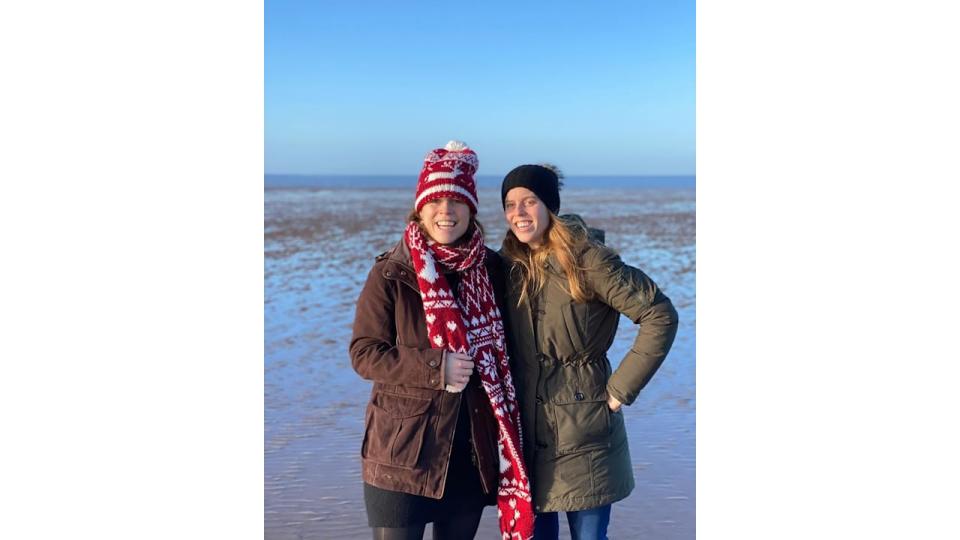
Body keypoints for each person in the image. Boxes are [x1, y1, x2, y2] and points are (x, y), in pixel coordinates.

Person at [350, 142, 535, 540]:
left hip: (471, 452)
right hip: (403, 452)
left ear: (471, 209)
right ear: (420, 208)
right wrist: (437, 366)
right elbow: (364, 354)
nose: (446, 212)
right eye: (435, 200)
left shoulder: (493, 270)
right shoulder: (391, 273)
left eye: (457, 201)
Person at [499, 164, 680, 540]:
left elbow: (659, 314)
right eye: (510, 204)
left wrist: (618, 392)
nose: (519, 212)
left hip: (586, 427)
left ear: (550, 206)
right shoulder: (508, 265)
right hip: (527, 431)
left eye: (529, 201)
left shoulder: (587, 259)